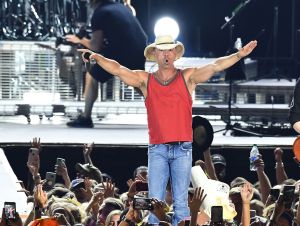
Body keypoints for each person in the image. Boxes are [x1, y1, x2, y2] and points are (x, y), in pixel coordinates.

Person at [77, 34, 257, 225]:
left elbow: (215, 66)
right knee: (155, 202)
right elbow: (118, 69)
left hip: (182, 149)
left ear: (175, 53)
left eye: (170, 49)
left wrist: (239, 55)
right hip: (158, 149)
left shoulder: (187, 77)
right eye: (162, 50)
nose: (166, 54)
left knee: (181, 202)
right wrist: (96, 57)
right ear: (154, 53)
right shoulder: (145, 80)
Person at [66, 0, 147, 128]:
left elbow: (95, 47)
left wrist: (79, 40)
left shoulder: (100, 13)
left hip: (123, 50)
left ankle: (85, 118)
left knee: (92, 75)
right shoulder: (119, 7)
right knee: (137, 82)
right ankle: (165, 108)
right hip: (139, 47)